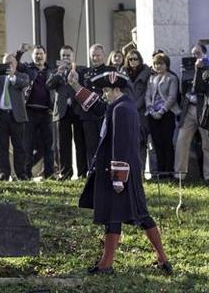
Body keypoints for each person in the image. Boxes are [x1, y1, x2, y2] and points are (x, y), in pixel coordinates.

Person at [69, 66, 171, 275]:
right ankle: (107, 264)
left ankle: (161, 258)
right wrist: (75, 85)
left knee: (140, 215)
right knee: (115, 216)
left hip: (120, 173)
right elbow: (96, 107)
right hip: (118, 172)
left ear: (116, 90)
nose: (103, 95)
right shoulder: (117, 106)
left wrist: (118, 178)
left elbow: (122, 145)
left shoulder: (121, 109)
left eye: (106, 91)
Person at [0, 53, 29, 180]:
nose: (8, 66)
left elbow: (24, 84)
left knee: (19, 146)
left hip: (16, 116)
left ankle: (21, 173)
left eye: (10, 63)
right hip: (0, 115)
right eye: (5, 63)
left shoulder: (21, 76)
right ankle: (4, 173)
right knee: (2, 146)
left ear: (15, 64)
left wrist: (12, 77)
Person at [46, 45, 87, 180]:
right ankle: (66, 172)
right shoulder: (56, 73)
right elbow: (49, 85)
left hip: (77, 110)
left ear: (73, 56)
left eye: (68, 56)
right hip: (62, 111)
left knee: (80, 142)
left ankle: (82, 172)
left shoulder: (80, 70)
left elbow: (84, 86)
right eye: (63, 56)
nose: (66, 58)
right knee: (63, 144)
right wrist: (58, 73)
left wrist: (76, 75)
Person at [18, 45, 54, 179]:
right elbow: (15, 65)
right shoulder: (27, 69)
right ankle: (26, 173)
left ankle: (49, 173)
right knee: (27, 145)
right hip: (29, 112)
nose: (38, 56)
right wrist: (21, 52)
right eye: (36, 54)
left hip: (46, 112)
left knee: (48, 146)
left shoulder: (51, 71)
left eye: (40, 54)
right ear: (32, 56)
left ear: (45, 55)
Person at [174, 43, 209, 181]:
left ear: (205, 54)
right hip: (189, 108)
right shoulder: (188, 69)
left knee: (207, 144)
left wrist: (200, 70)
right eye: (193, 54)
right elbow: (184, 90)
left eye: (198, 53)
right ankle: (179, 175)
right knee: (181, 141)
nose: (195, 57)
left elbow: (201, 88)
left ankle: (207, 176)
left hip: (204, 110)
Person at [77, 43, 109, 177]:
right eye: (93, 56)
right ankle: (93, 172)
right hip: (88, 115)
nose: (96, 58)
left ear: (103, 55)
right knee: (90, 146)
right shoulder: (85, 73)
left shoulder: (110, 71)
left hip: (104, 113)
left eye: (98, 55)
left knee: (105, 145)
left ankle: (105, 172)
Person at [145, 52, 179, 178]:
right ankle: (160, 172)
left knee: (167, 143)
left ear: (166, 64)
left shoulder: (172, 78)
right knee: (156, 143)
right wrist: (151, 110)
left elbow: (172, 97)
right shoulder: (151, 78)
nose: (158, 66)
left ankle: (169, 172)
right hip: (152, 114)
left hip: (167, 113)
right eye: (155, 64)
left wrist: (162, 111)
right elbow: (147, 95)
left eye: (161, 64)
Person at [121, 50, 151, 173]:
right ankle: (130, 172)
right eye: (130, 59)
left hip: (141, 112)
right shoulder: (122, 73)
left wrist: (136, 105)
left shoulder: (146, 73)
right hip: (127, 111)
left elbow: (148, 92)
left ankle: (141, 171)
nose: (133, 62)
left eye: (135, 59)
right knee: (127, 143)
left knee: (141, 143)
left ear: (140, 60)